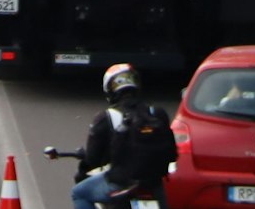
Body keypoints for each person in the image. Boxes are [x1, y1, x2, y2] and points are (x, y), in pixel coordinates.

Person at [71, 64, 177, 209]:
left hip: (121, 183)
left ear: (109, 89)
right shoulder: (157, 113)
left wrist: (82, 171)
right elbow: (172, 154)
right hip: (153, 184)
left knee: (79, 193)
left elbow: (92, 158)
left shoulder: (106, 117)